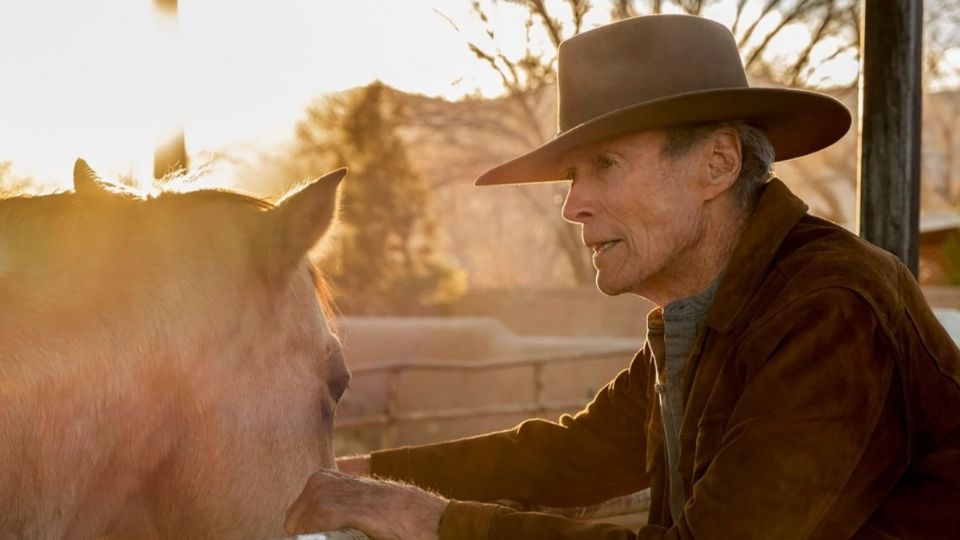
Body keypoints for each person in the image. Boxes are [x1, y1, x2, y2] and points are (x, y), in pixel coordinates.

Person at [284, 14, 960, 539]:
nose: (572, 204)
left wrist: (426, 522)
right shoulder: (712, 309)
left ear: (718, 164)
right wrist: (360, 476)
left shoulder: (831, 310)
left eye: (603, 165)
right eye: (573, 175)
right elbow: (578, 452)